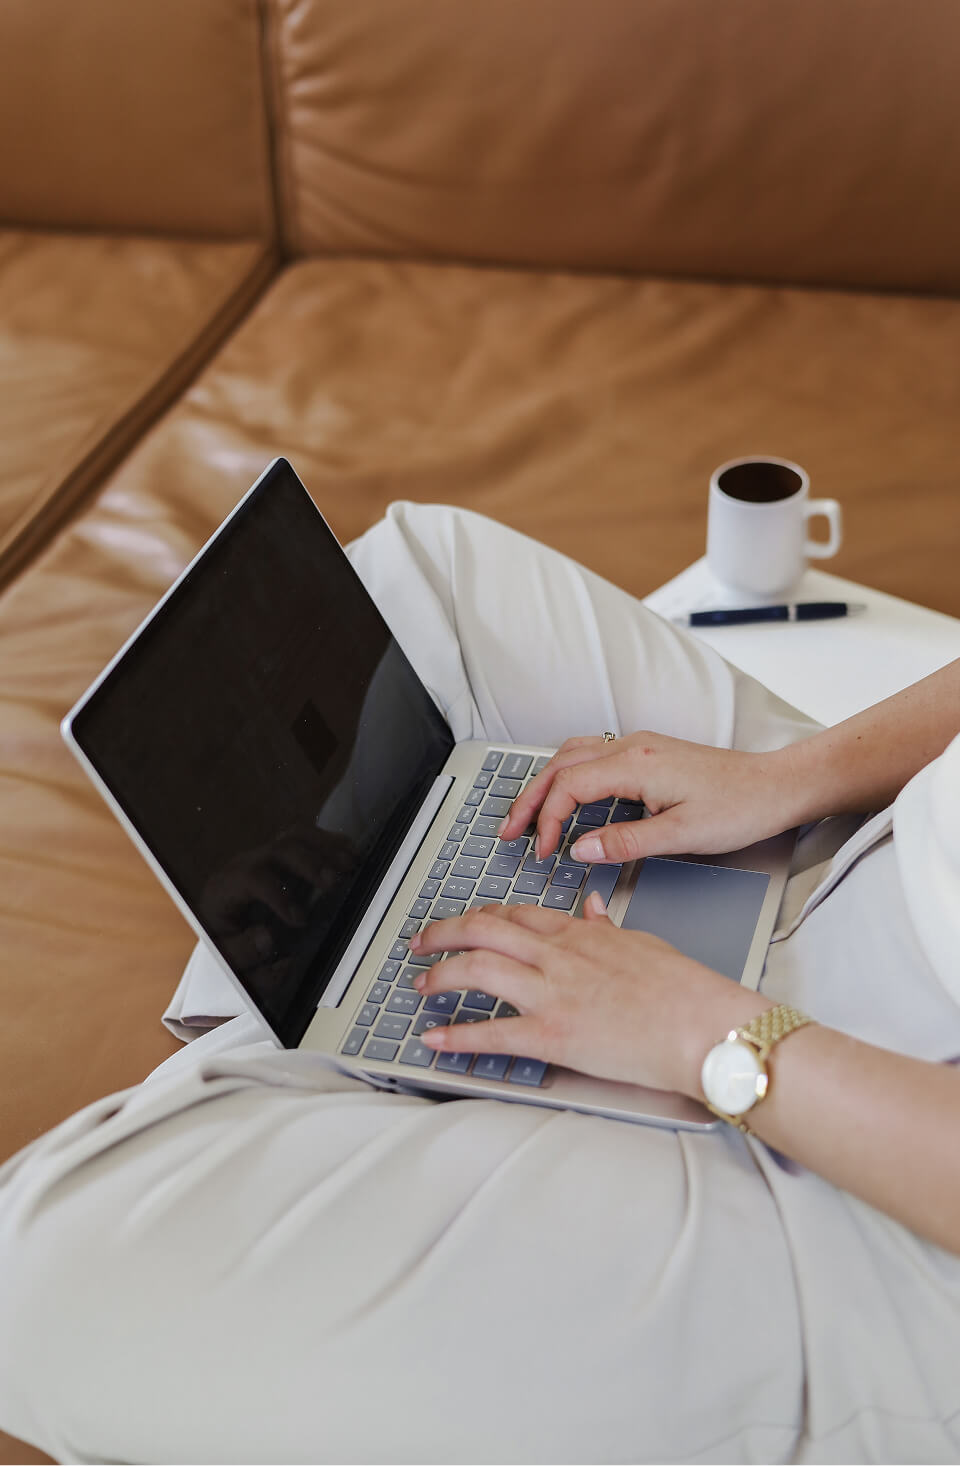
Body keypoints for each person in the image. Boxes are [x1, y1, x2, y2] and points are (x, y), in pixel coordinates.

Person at [1, 502, 958, 1465]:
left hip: (874, 1181)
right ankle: (339, 989)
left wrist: (694, 1026)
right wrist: (790, 780)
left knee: (32, 1274)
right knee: (421, 571)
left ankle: (319, 1013)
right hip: (880, 847)